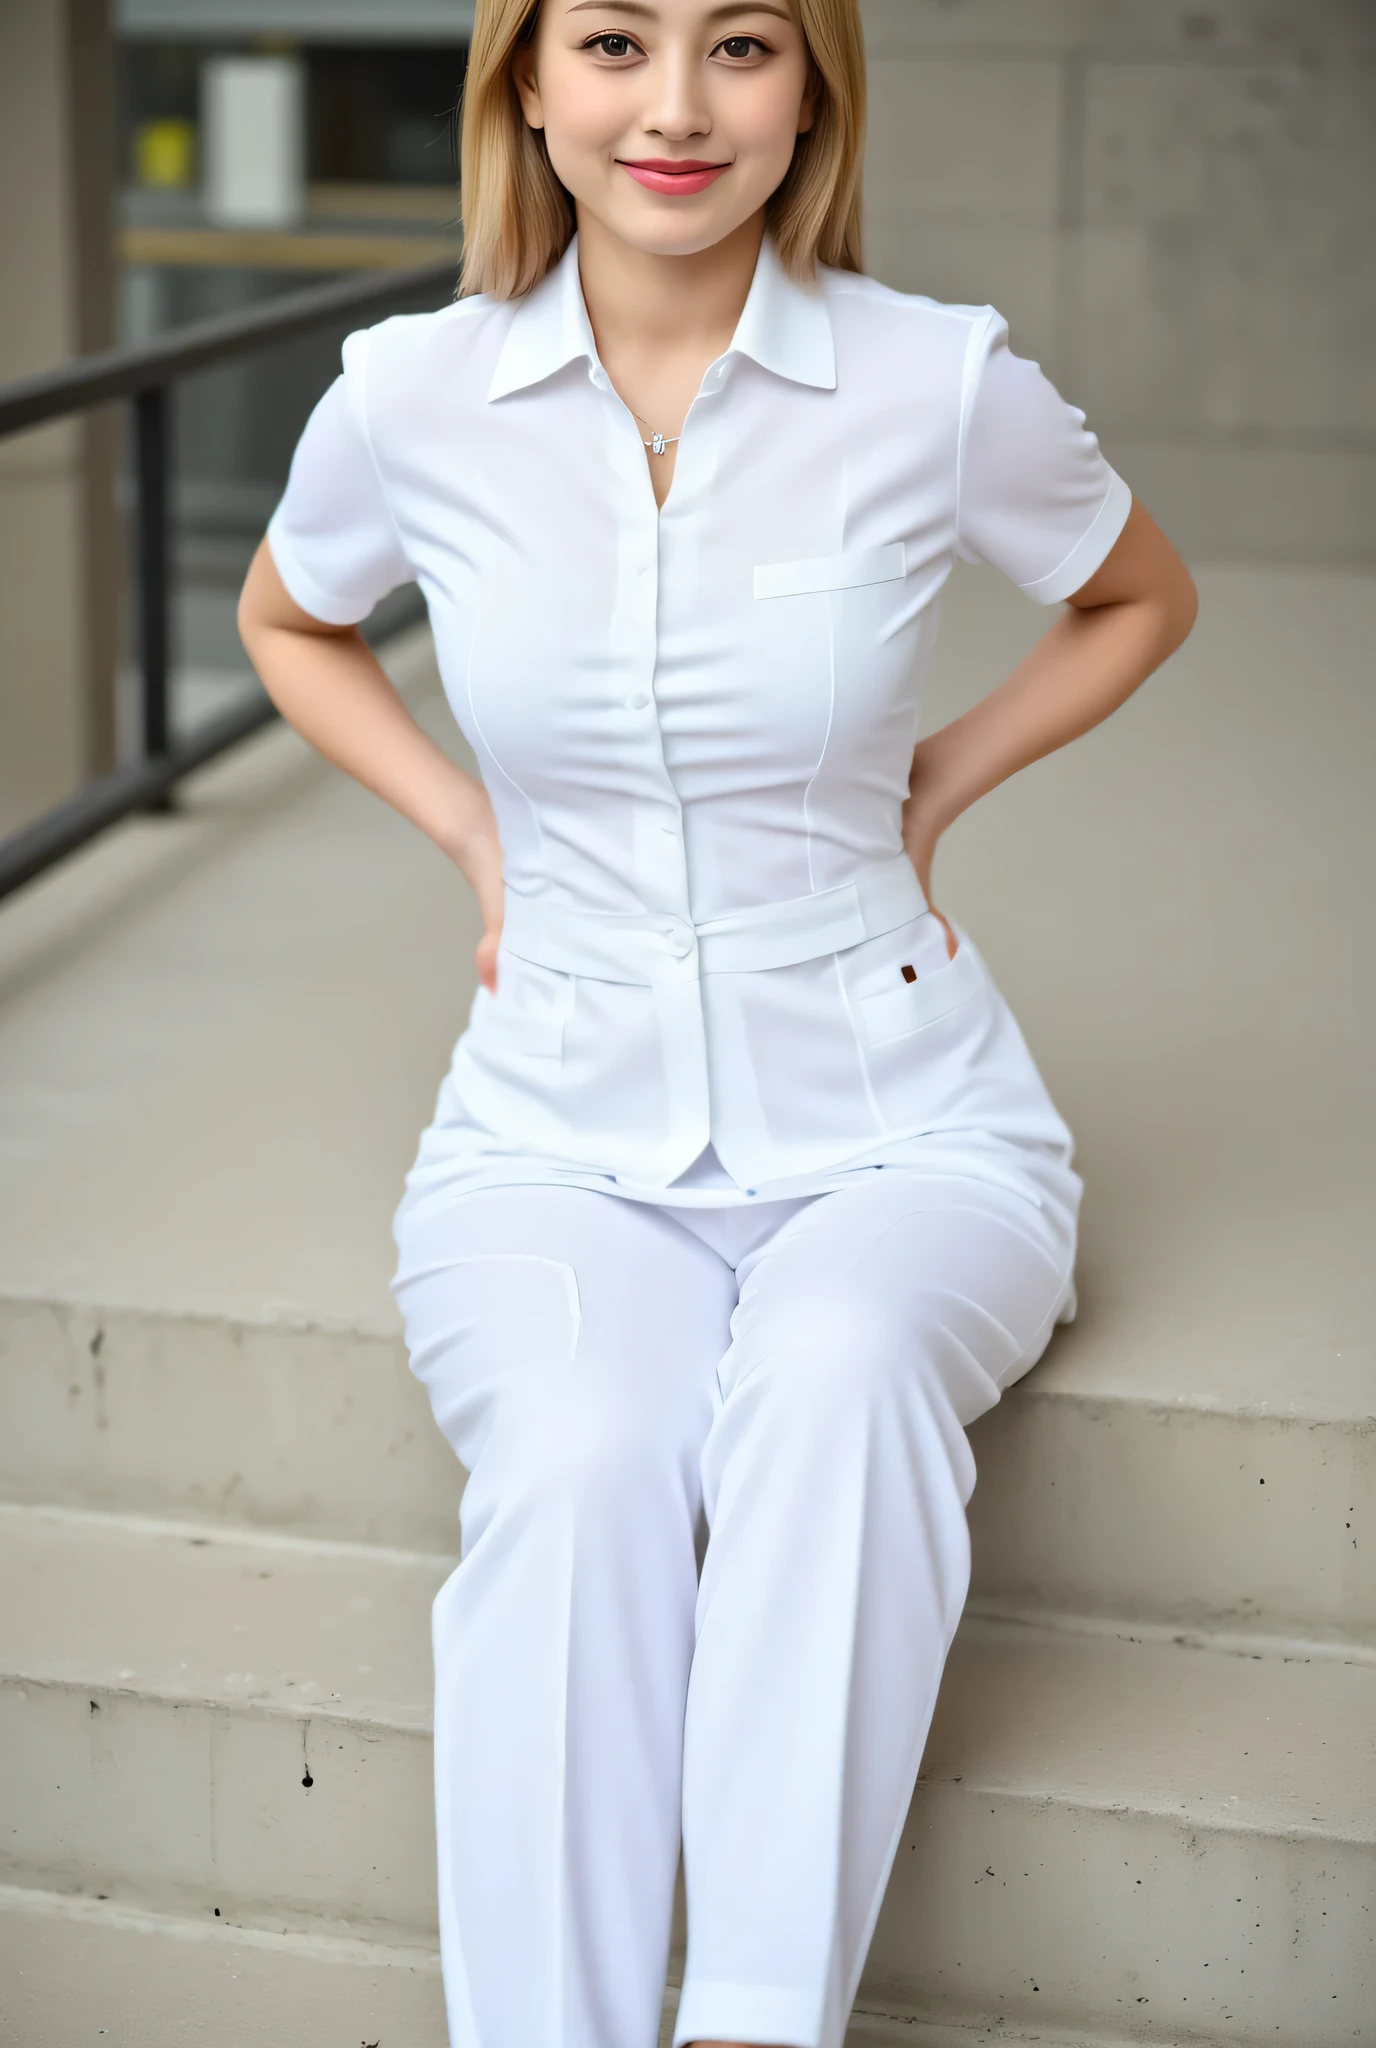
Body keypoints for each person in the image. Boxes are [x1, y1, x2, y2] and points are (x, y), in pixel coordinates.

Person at [237, 1, 1198, 2042]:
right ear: (523, 83)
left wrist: (937, 779)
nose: (674, 107)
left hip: (908, 1127)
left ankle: (756, 2022)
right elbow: (288, 616)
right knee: (582, 1468)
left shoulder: (935, 383)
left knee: (837, 1372)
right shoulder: (415, 397)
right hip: (549, 1136)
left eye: (741, 43)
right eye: (612, 41)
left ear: (813, 88)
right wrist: (466, 829)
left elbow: (1137, 595)